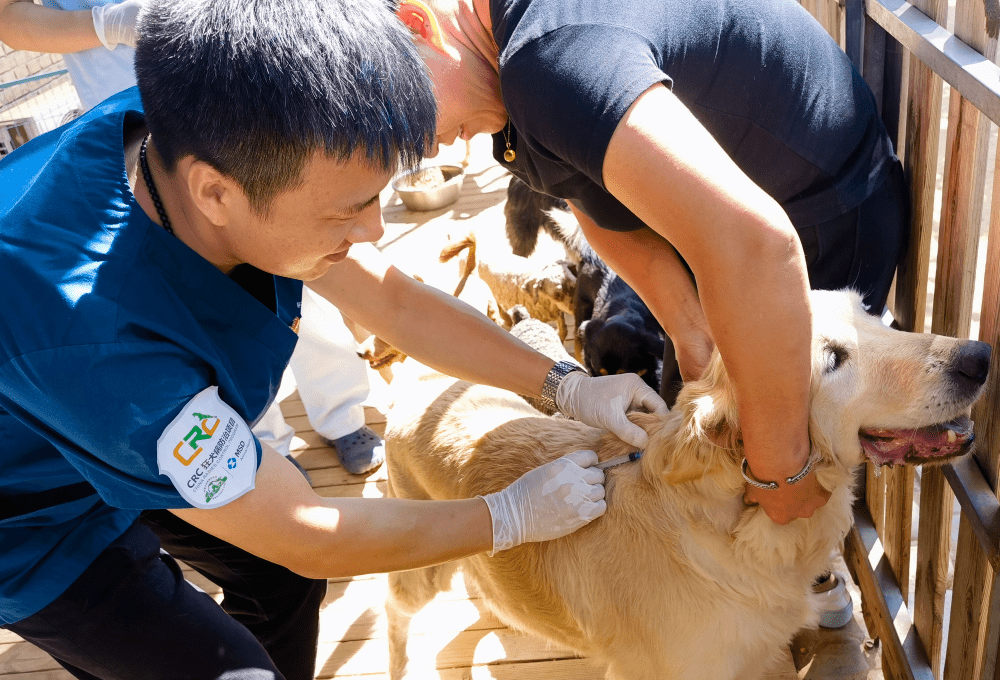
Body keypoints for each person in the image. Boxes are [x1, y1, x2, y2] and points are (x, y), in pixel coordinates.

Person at [0, 1, 667, 678]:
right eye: (346, 212)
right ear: (215, 194)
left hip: (107, 418)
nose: (375, 231)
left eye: (377, 198)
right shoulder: (103, 351)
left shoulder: (212, 115)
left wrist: (566, 385)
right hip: (32, 516)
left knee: (281, 581)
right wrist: (509, 515)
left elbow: (395, 303)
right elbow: (305, 532)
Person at [393, 0, 907, 529]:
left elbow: (759, 248)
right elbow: (586, 192)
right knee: (696, 442)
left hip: (821, 212)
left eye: (397, 113)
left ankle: (812, 586)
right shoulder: (510, 69)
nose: (418, 149)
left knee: (784, 475)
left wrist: (782, 473)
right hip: (728, 231)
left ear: (417, 24)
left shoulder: (545, 56)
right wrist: (689, 330)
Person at [0, 0, 389, 479]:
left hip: (246, 96)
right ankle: (261, 448)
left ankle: (342, 414)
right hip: (134, 127)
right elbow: (10, 17)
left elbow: (396, 303)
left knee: (305, 279)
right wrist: (105, 24)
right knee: (202, 325)